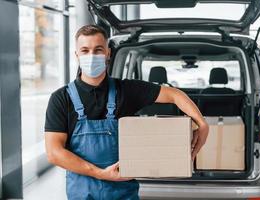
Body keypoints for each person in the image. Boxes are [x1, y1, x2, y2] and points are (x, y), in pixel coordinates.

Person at [44, 24, 209, 200]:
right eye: (85, 50)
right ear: (77, 55)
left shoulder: (127, 90)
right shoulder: (61, 98)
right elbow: (54, 153)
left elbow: (174, 95)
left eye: (98, 50)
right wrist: (101, 173)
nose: (91, 56)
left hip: (122, 193)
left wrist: (202, 123)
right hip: (82, 193)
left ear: (108, 53)